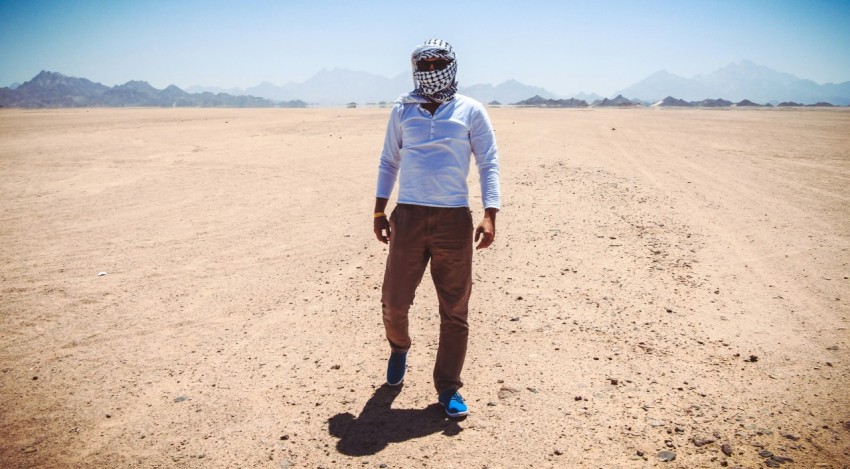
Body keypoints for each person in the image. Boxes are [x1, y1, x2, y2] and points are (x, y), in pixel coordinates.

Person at [372, 38, 501, 418]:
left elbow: (488, 163)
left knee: (455, 309)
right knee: (394, 302)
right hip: (408, 217)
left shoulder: (471, 111)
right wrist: (380, 211)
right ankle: (399, 347)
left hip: (452, 221)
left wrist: (490, 213)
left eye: (436, 64)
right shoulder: (402, 110)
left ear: (450, 65)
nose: (429, 72)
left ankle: (448, 387)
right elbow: (387, 162)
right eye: (422, 66)